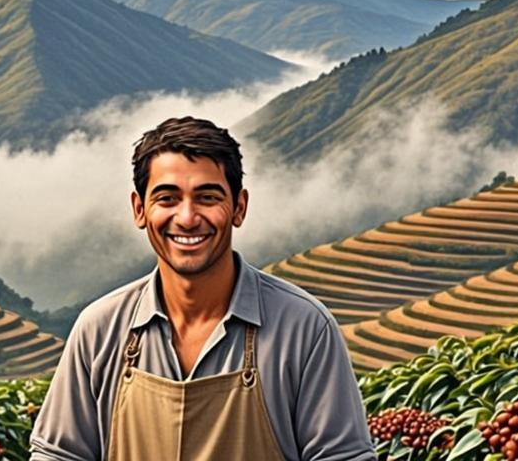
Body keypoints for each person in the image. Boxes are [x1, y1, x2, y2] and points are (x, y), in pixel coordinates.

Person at [29, 116, 376, 461]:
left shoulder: (304, 328)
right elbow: (58, 455)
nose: (187, 217)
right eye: (167, 198)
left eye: (208, 197)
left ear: (239, 207)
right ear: (139, 210)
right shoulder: (99, 330)